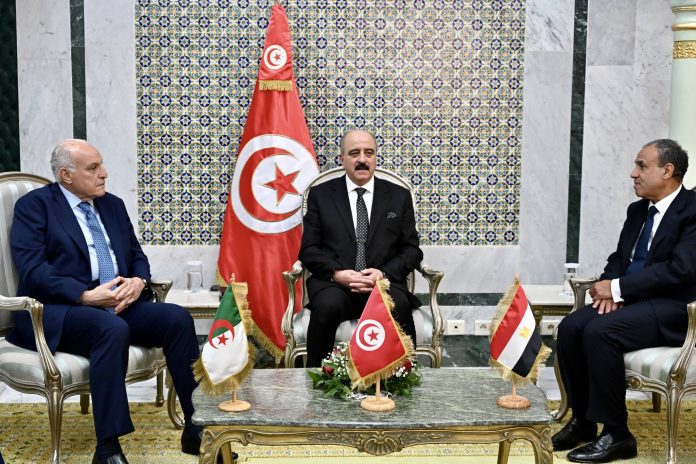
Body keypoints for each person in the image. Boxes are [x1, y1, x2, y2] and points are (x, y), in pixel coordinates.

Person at [8, 140, 205, 464]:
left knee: (177, 319)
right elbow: (34, 269)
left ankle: (196, 427)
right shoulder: (35, 206)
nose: (104, 173)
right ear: (66, 175)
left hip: (116, 304)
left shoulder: (112, 205)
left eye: (101, 165)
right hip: (59, 310)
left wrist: (138, 281)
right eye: (93, 168)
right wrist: (83, 295)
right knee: (110, 329)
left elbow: (137, 256)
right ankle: (108, 449)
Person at [553, 139, 696, 463]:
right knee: (571, 327)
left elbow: (681, 270)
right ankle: (583, 421)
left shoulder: (692, 211)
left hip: (675, 308)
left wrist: (619, 290)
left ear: (667, 170)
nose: (634, 173)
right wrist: (609, 288)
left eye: (642, 166)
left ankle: (618, 435)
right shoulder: (638, 210)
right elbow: (620, 257)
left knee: (601, 332)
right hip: (633, 302)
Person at [299, 129, 424, 367]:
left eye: (369, 153)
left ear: (376, 157)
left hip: (383, 285)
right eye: (354, 153)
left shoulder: (398, 196)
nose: (362, 160)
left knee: (399, 306)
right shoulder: (321, 195)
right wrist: (337, 273)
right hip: (336, 285)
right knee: (326, 307)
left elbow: (412, 250)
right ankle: (317, 378)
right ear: (342, 158)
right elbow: (309, 249)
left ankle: (404, 377)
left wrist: (383, 274)